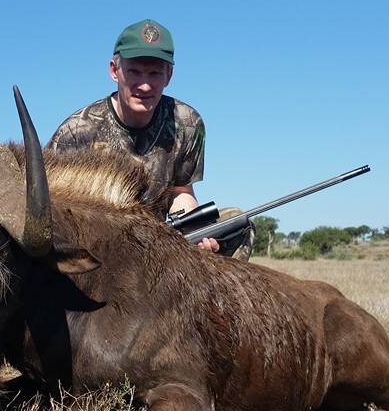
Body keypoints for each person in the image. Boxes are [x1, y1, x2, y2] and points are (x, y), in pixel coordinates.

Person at [48, 19, 253, 260]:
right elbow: (55, 213)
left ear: (169, 75)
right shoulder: (75, 132)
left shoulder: (186, 122)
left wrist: (194, 232)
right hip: (96, 245)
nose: (145, 85)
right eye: (134, 71)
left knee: (237, 223)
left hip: (159, 237)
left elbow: (180, 191)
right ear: (115, 71)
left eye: (155, 73)